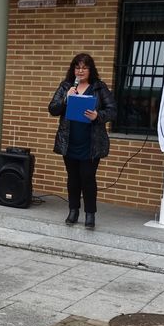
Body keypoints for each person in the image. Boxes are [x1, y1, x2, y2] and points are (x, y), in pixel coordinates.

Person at [48, 53, 117, 228]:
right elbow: (53, 109)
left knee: (87, 178)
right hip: (70, 141)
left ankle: (90, 214)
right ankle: (73, 210)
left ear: (90, 69)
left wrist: (97, 115)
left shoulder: (99, 88)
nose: (80, 71)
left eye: (84, 67)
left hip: (91, 142)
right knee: (73, 178)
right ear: (73, 70)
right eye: (77, 67)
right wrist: (66, 99)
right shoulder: (66, 87)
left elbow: (113, 111)